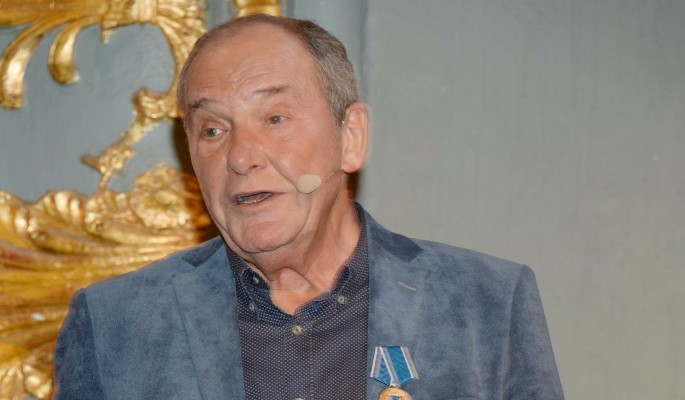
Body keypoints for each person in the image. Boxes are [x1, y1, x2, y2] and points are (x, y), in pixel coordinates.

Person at [53, 14, 564, 400]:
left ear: (350, 137)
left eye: (274, 118)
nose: (241, 156)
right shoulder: (115, 325)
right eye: (211, 130)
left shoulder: (487, 304)